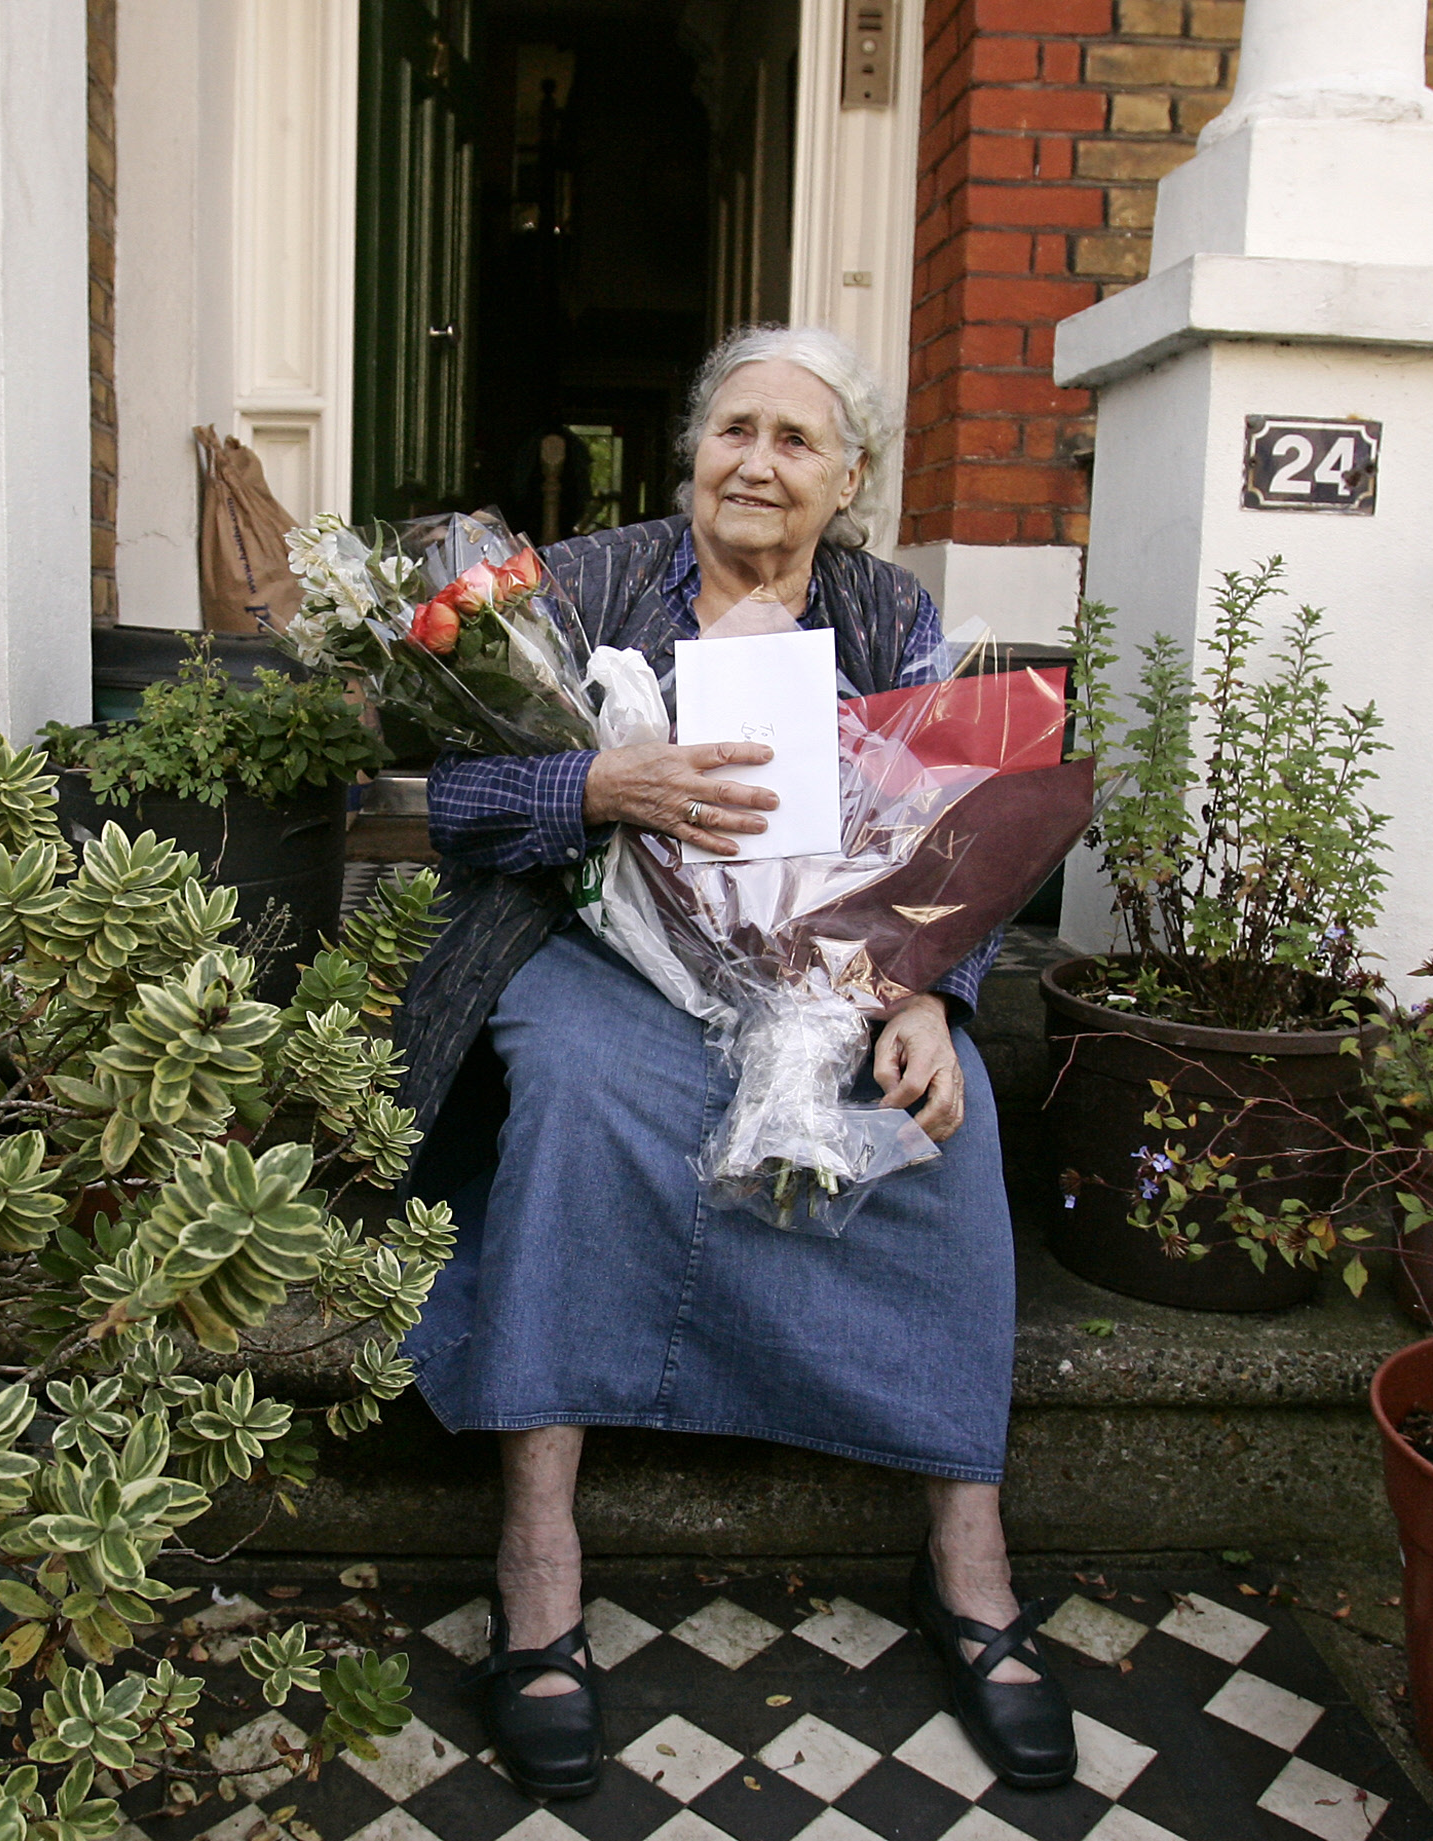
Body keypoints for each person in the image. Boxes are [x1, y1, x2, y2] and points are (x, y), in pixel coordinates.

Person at [394, 324, 1072, 1799]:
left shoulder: (889, 608)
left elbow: (951, 827)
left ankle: (970, 1557)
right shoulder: (579, 584)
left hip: (818, 972)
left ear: (848, 479)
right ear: (693, 450)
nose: (758, 462)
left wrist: (927, 996)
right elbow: (451, 795)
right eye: (734, 430)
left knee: (945, 1125)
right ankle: (539, 1551)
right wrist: (593, 782)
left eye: (797, 440)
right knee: (575, 1090)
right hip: (589, 955)